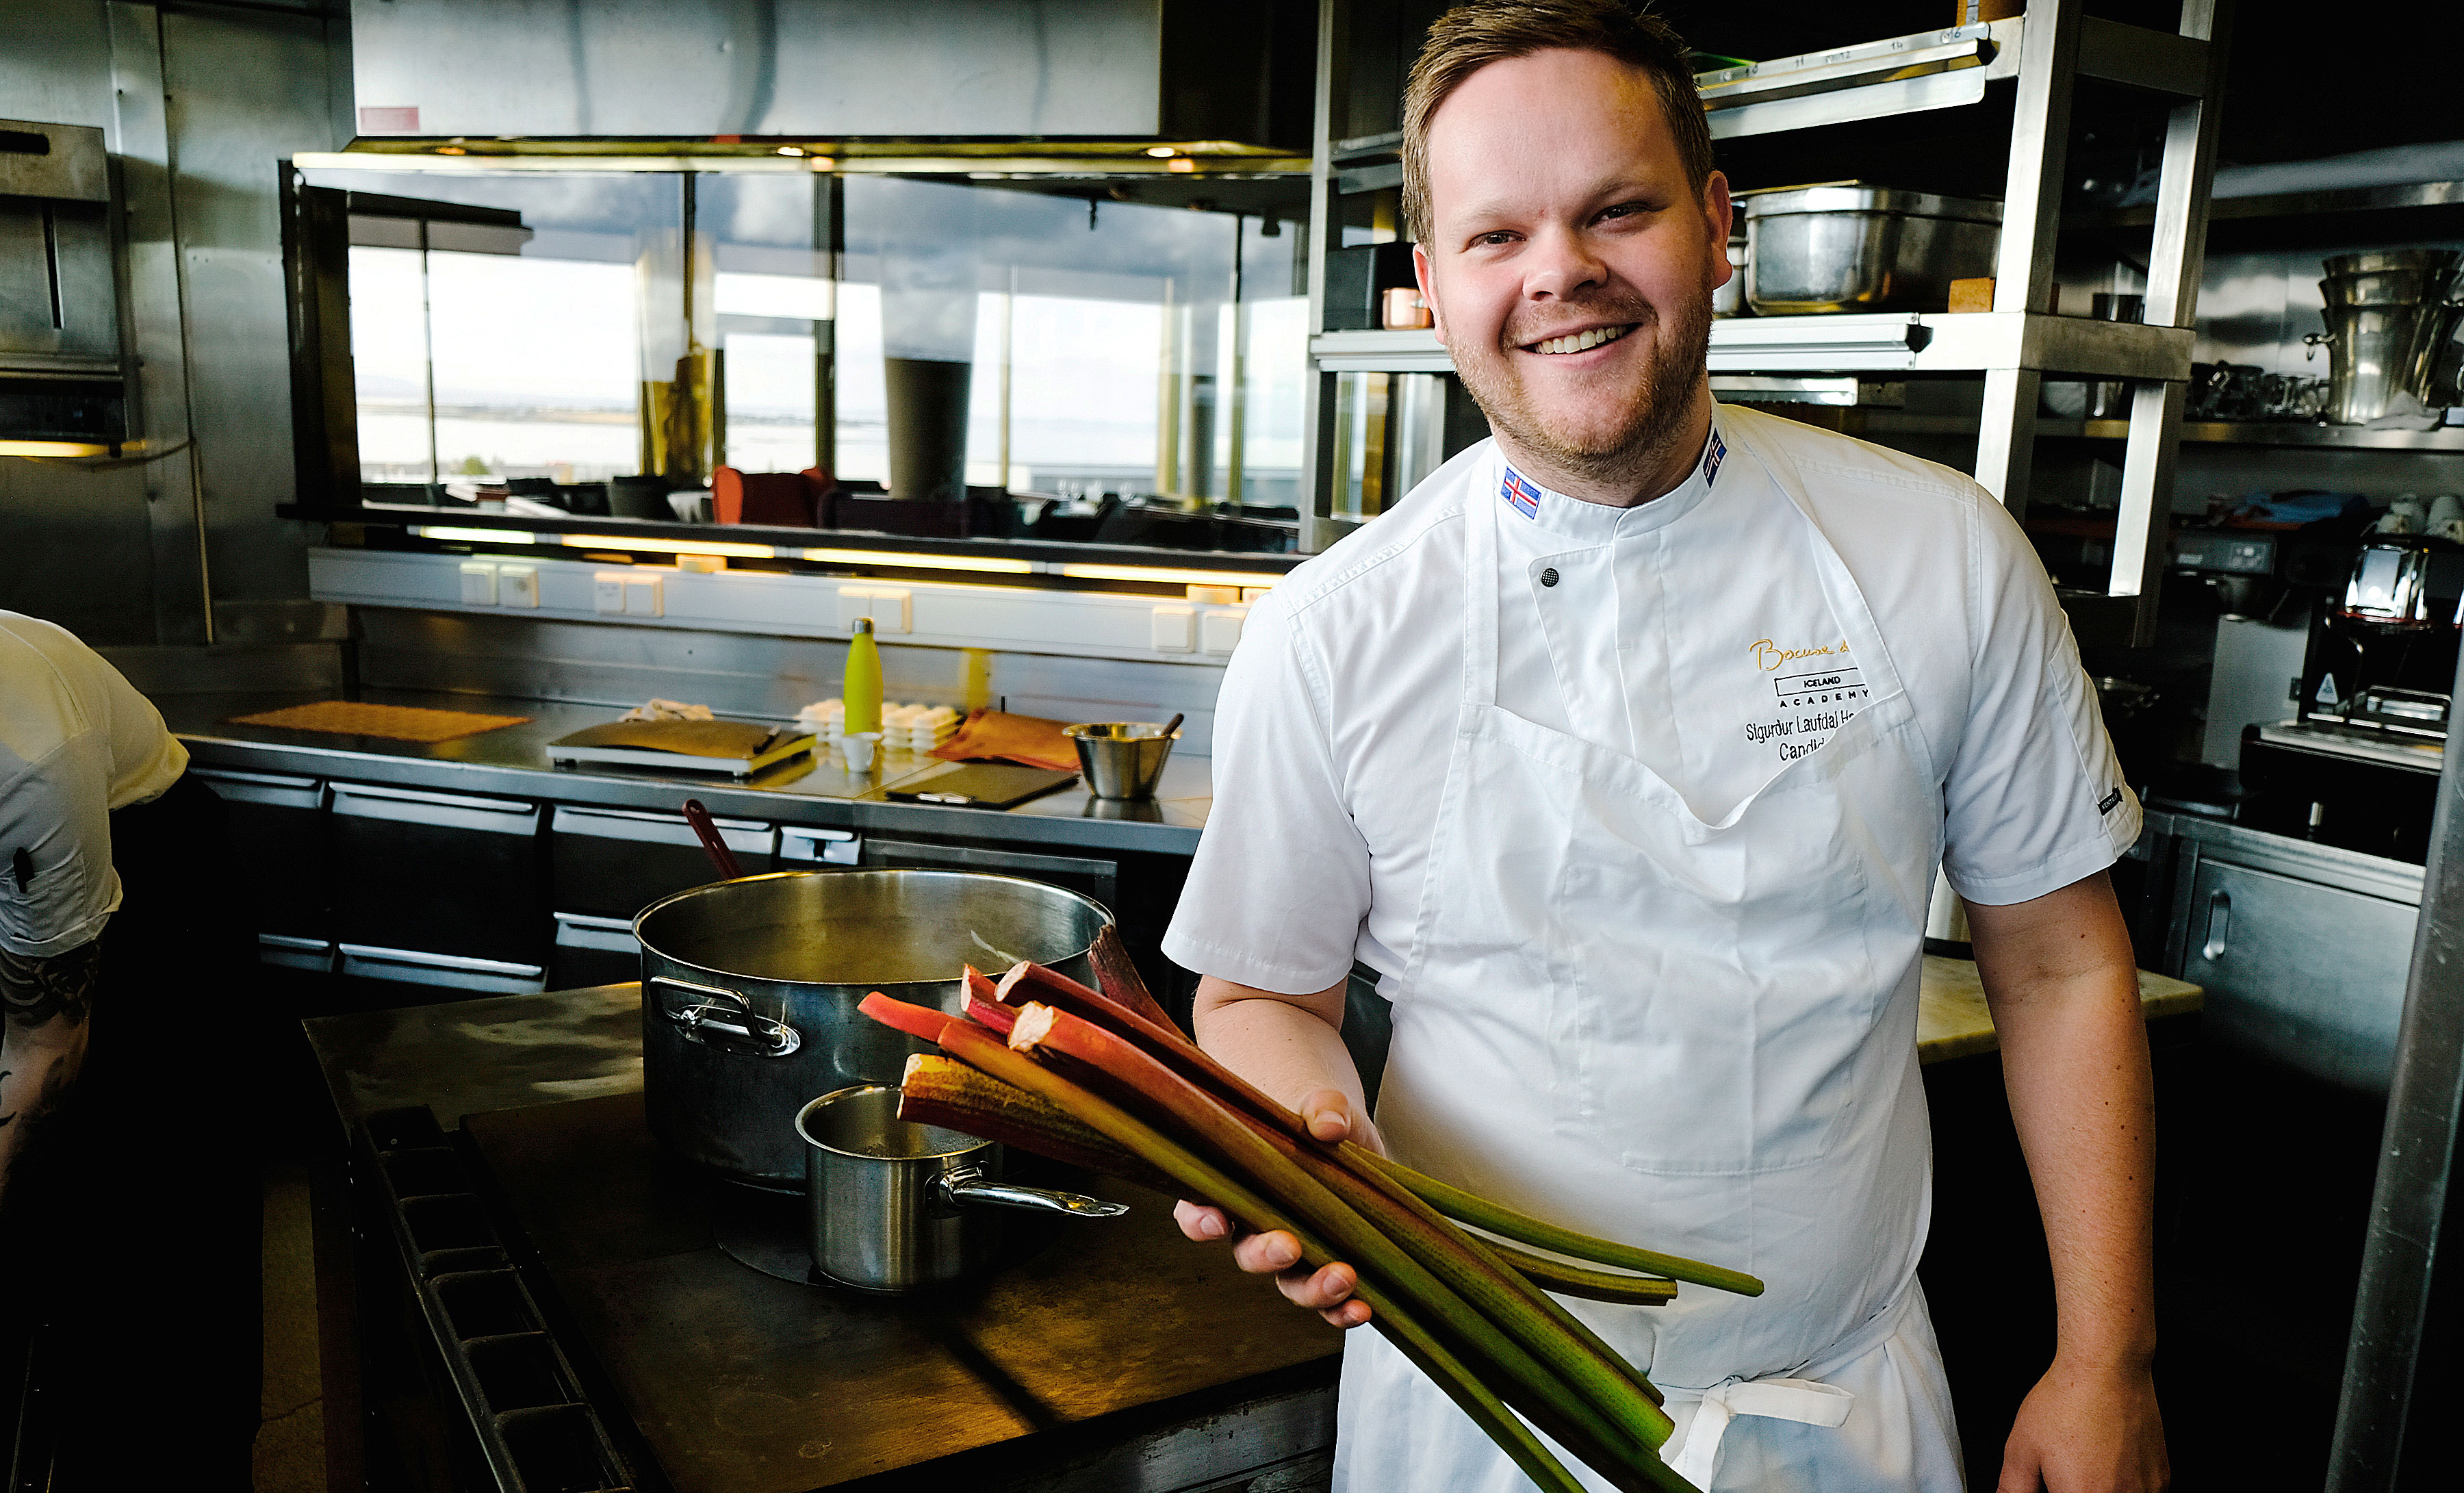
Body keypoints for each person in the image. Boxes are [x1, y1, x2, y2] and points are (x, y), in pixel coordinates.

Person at [1162, 5, 2167, 1491]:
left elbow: (2061, 960)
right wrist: (1313, 1136)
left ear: (1713, 226)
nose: (1560, 271)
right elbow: (1260, 990)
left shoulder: (1940, 553)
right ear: (1431, 287)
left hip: (1848, 1412)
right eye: (1497, 235)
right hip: (1479, 1420)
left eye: (1616, 209)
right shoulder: (1335, 630)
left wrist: (2107, 1361)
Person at [0, 609, 257, 1488]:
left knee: (146, 1229)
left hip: (155, 894)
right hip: (40, 886)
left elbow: (46, 1042)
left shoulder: (27, 744)